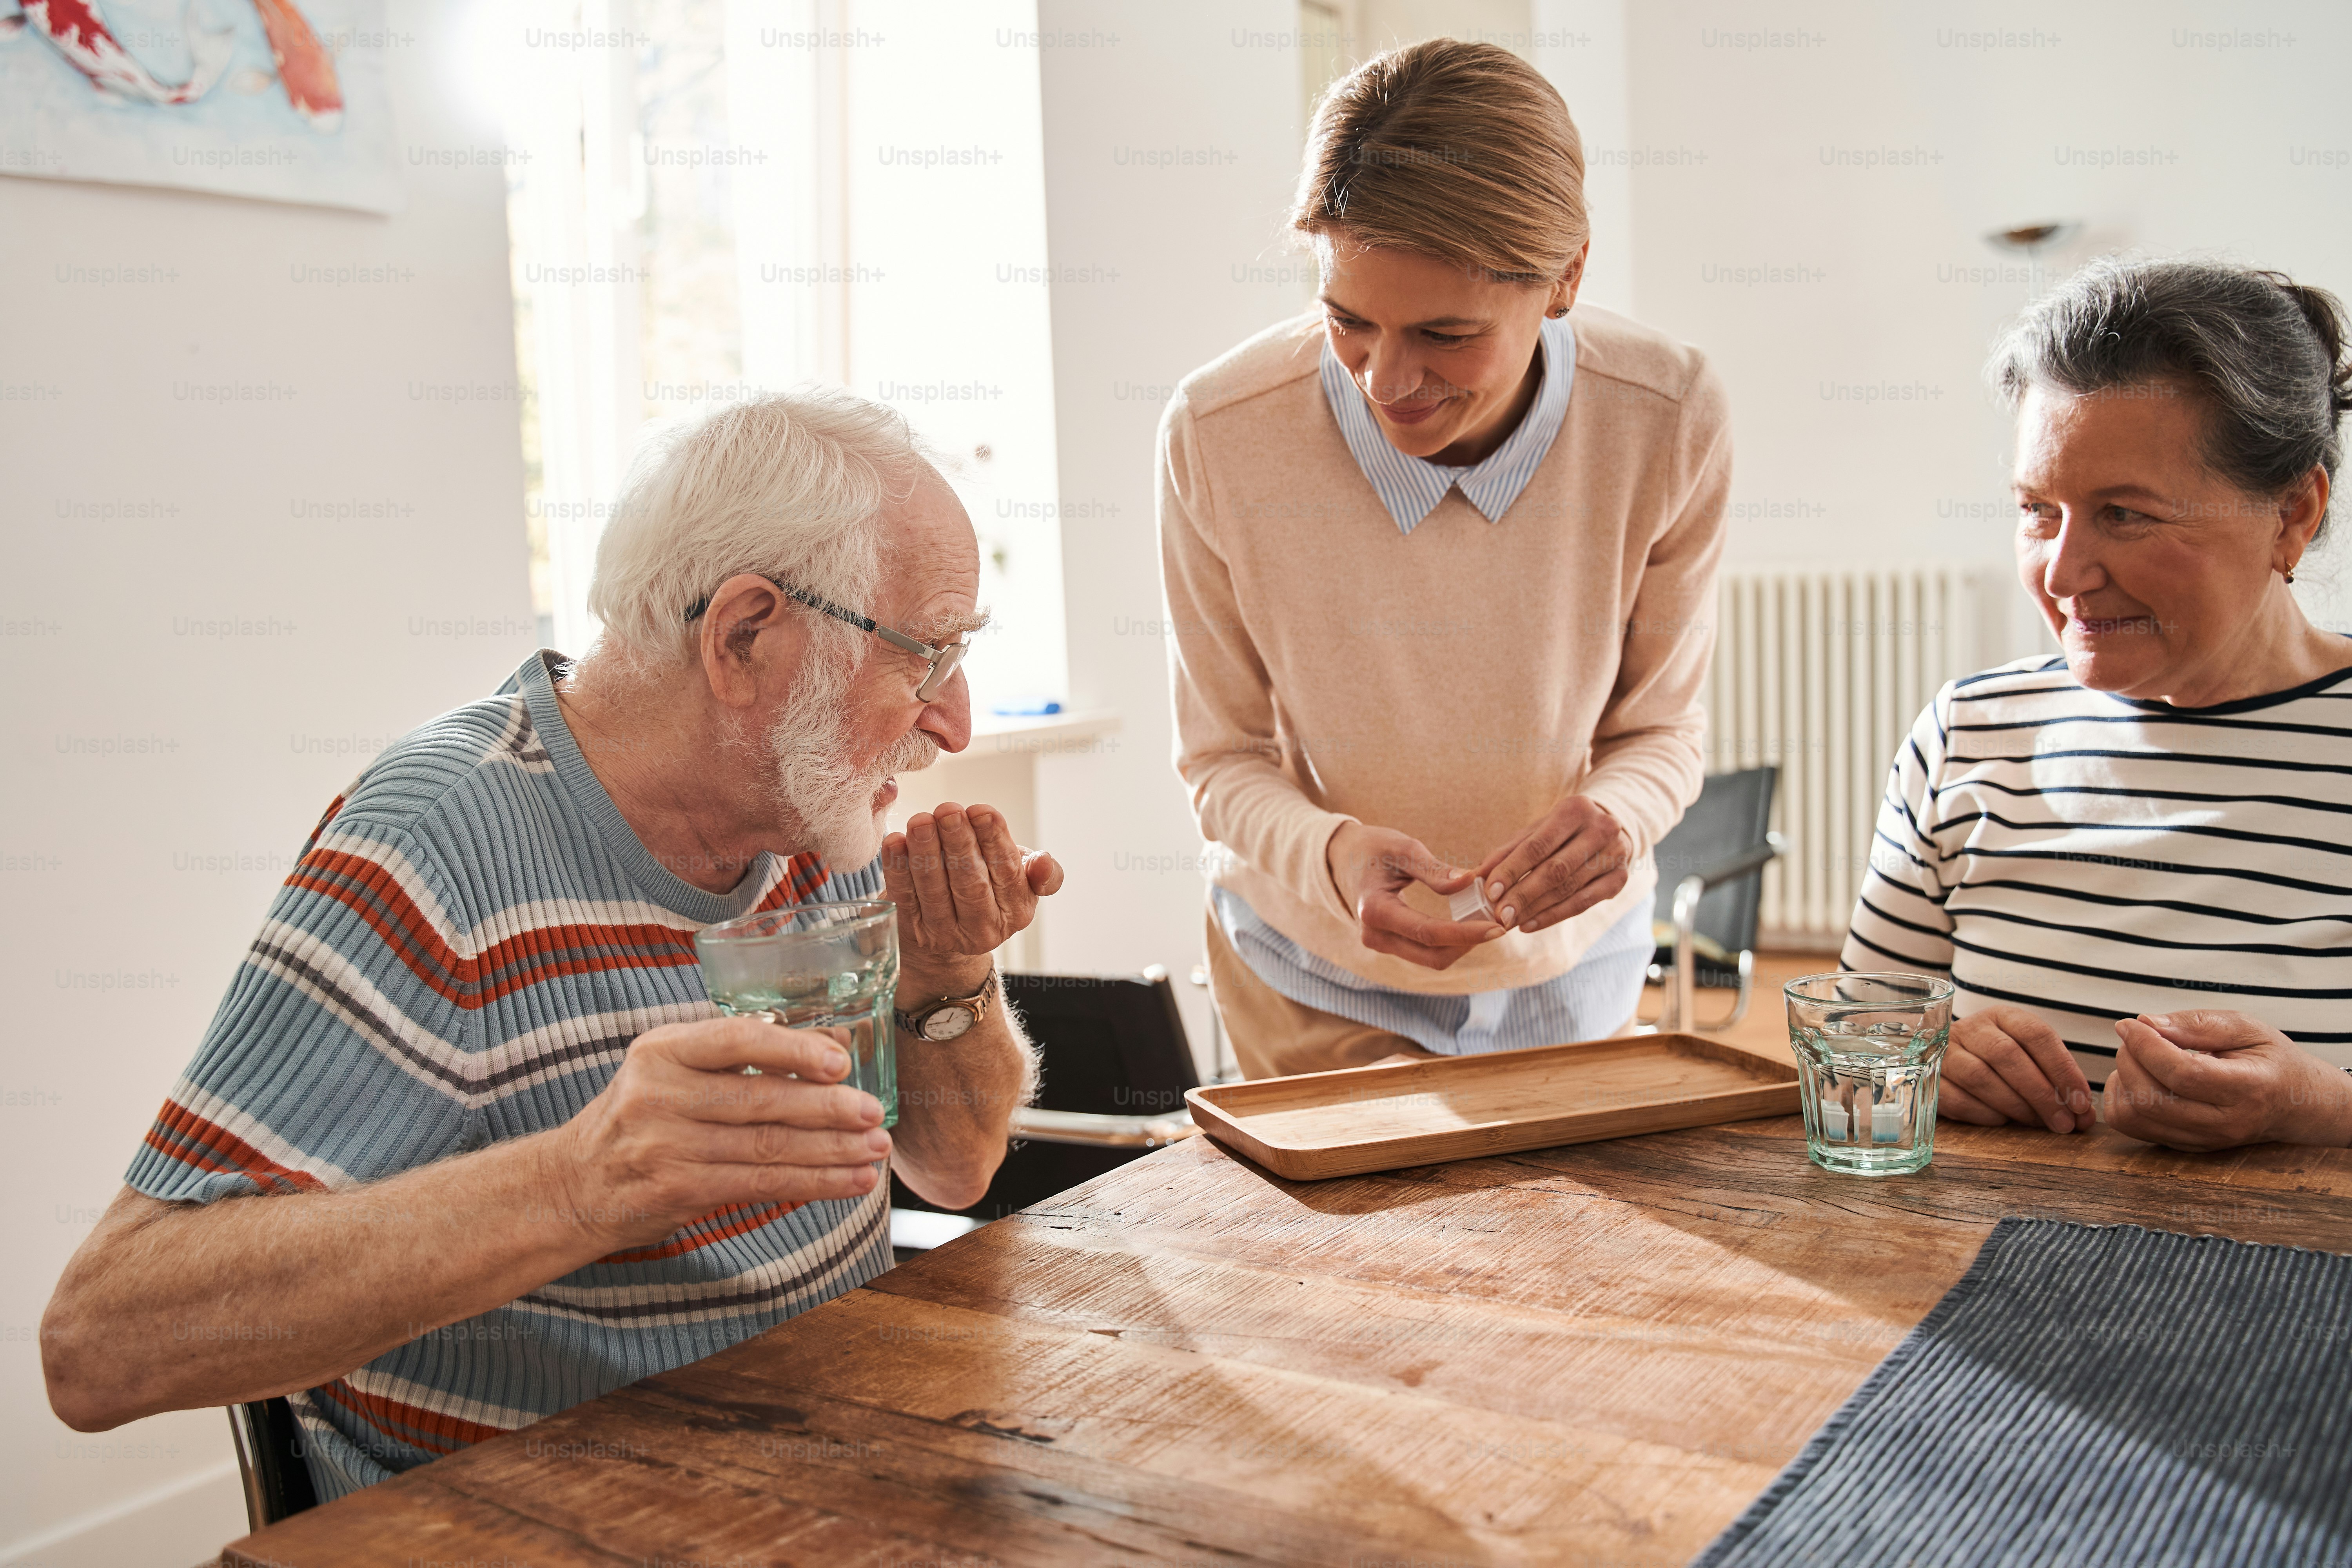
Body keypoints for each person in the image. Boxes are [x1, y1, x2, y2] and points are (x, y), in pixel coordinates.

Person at [40, 390, 1062, 1497]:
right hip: (542, 1524)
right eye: (926, 659)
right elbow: (99, 1347)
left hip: (828, 1476)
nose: (954, 722)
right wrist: (583, 1184)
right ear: (745, 636)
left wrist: (950, 976)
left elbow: (955, 1172)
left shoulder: (815, 809)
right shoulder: (434, 842)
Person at [1159, 39, 1730, 1078]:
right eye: (1347, 321)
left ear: (1566, 277)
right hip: (1309, 973)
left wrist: (1616, 817)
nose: (1388, 379)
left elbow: (1663, 732)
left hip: (1571, 973)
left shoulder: (1668, 416)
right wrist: (1333, 857)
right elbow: (1220, 760)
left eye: (1445, 334)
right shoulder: (1218, 430)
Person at [1846, 257, 2352, 1152]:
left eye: (2126, 514)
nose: (2066, 573)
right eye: (2040, 509)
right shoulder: (1967, 735)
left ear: (2292, 514)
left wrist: (2320, 1105)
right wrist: (1928, 1059)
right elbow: (1856, 1055)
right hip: (1986, 1276)